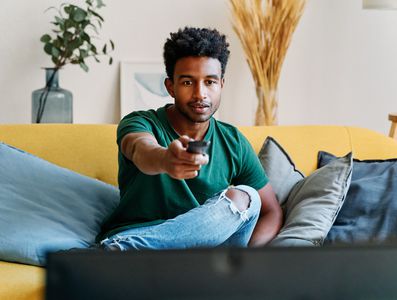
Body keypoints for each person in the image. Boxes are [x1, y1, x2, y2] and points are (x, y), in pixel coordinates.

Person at [97, 27, 282, 250]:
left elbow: (271, 211)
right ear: (170, 86)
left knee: (247, 196)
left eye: (210, 82)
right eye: (187, 82)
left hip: (199, 255)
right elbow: (140, 149)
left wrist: (247, 259)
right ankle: (127, 249)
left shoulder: (233, 142)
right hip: (139, 238)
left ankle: (124, 251)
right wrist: (166, 159)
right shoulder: (141, 123)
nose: (200, 94)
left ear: (221, 84)